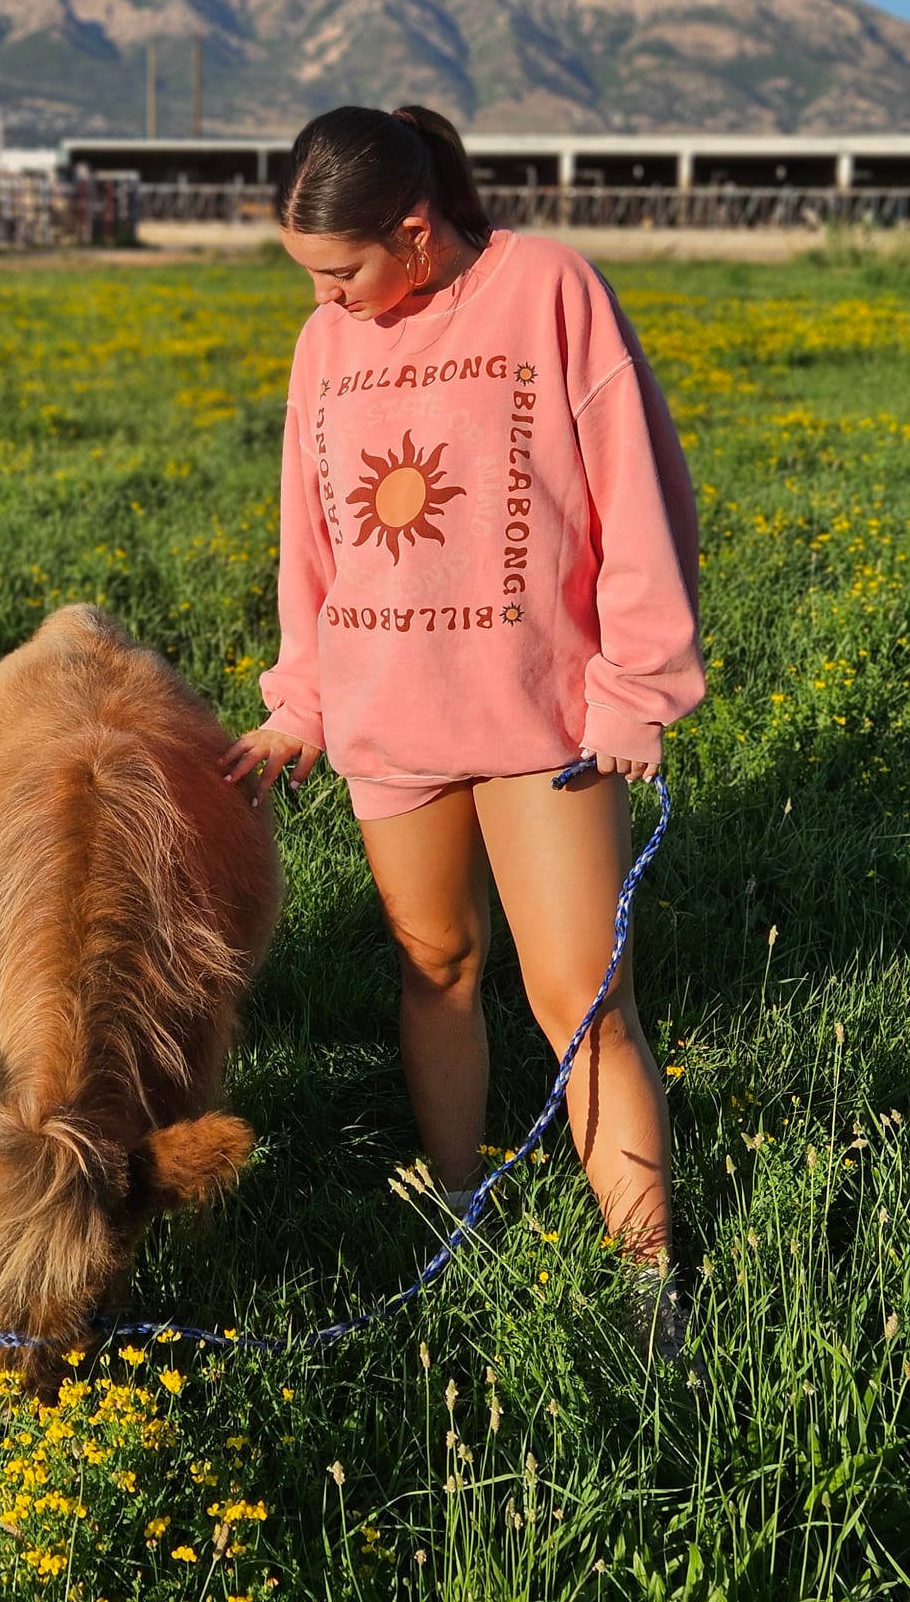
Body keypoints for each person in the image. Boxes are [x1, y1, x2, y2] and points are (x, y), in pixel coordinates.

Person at [219, 105, 705, 1352]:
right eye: (312, 278)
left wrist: (637, 685)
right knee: (436, 969)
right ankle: (454, 1212)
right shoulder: (325, 345)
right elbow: (311, 537)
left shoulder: (549, 290)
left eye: (343, 271)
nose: (327, 298)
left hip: (547, 725)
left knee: (579, 1001)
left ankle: (652, 1278)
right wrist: (301, 707)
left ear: (417, 233)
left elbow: (637, 493)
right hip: (388, 729)